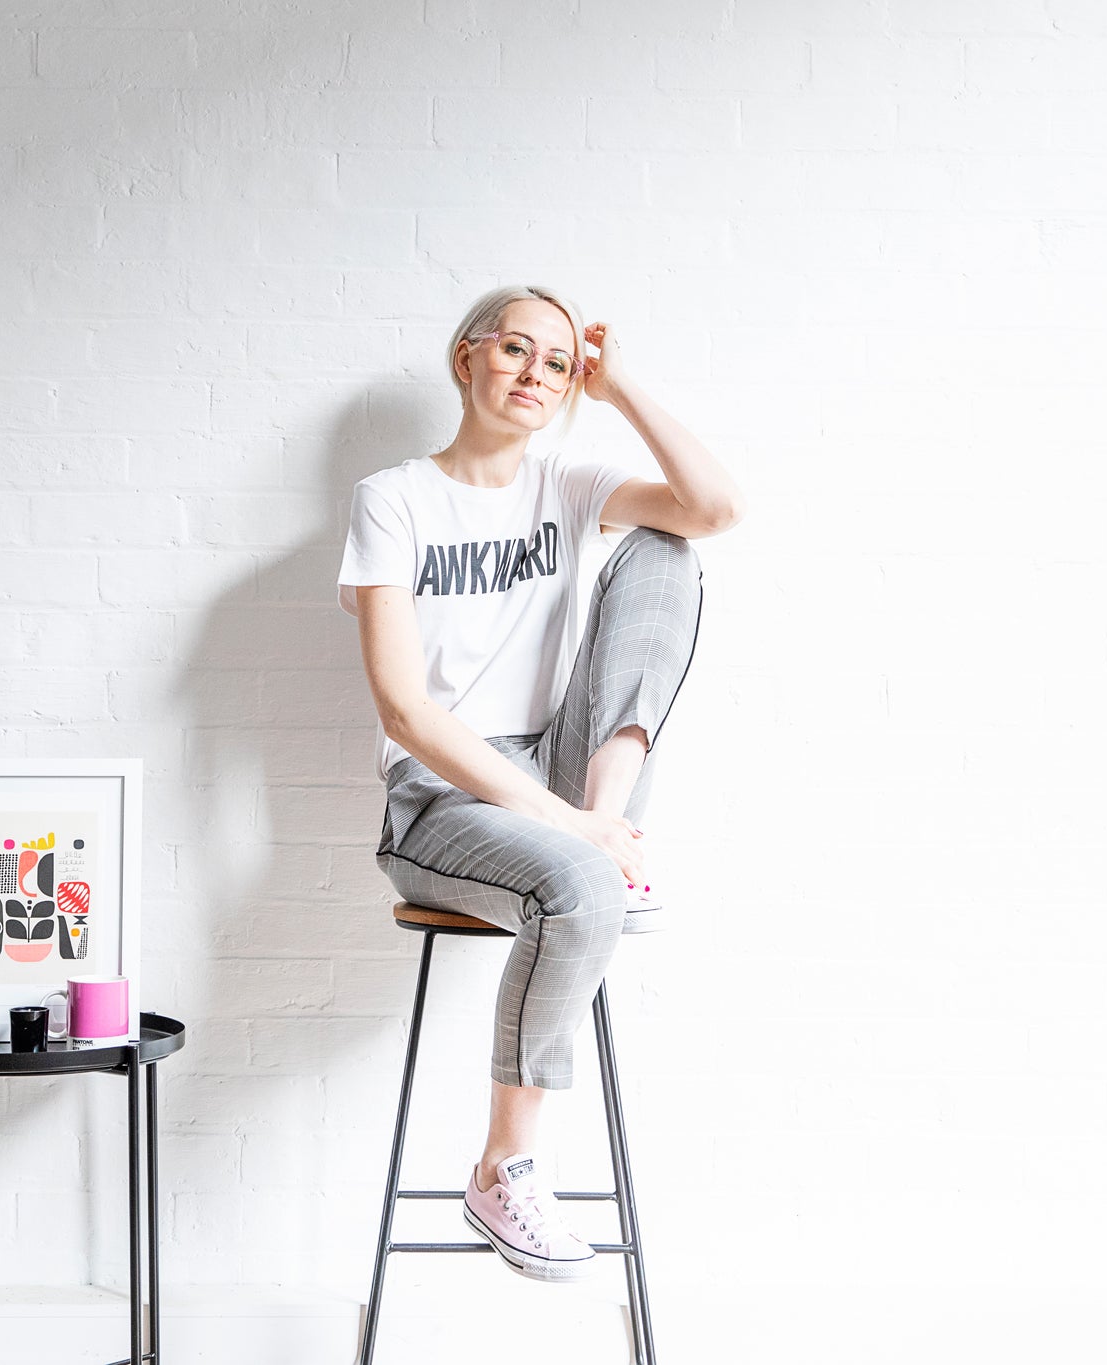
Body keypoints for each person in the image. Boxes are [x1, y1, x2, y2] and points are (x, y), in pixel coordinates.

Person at [335, 284, 746, 1282]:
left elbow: (714, 506)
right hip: (439, 804)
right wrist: (565, 828)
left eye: (557, 362)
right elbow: (404, 713)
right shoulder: (395, 499)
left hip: (559, 777)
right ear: (466, 358)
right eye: (515, 349)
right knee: (582, 884)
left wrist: (618, 387)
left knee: (664, 548)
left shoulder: (566, 481)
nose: (534, 372)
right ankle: (501, 1169)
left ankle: (603, 837)